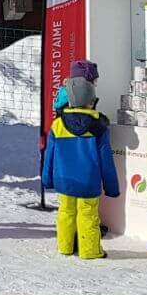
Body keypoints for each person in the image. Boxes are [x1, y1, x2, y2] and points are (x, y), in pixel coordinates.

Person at [42, 74, 119, 259]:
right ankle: (90, 250)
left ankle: (65, 246)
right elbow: (106, 161)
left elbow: (49, 155)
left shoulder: (57, 125)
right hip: (88, 182)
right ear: (91, 101)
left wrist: (47, 179)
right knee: (88, 215)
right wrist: (112, 187)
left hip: (64, 181)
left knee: (65, 213)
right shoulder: (98, 128)